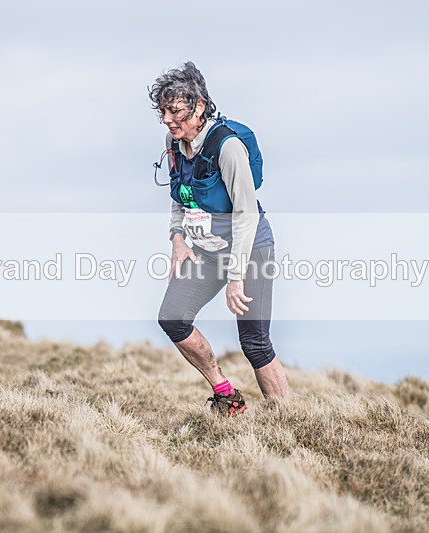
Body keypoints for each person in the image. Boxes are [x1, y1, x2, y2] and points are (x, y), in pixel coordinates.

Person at [149, 62, 288, 416]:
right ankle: (227, 394)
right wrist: (177, 239)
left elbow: (247, 213)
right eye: (163, 111)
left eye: (175, 110)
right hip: (206, 252)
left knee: (254, 343)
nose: (167, 119)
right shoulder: (174, 143)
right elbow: (179, 196)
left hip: (250, 248)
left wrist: (236, 274)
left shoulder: (227, 148)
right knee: (173, 319)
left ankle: (286, 419)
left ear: (198, 106)